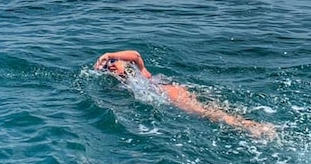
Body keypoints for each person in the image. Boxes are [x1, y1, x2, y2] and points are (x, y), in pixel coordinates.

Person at [94, 50, 277, 140]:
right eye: (109, 67)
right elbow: (134, 57)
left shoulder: (137, 76)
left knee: (207, 113)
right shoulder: (137, 76)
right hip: (173, 88)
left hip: (169, 93)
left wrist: (109, 55)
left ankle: (250, 127)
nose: (112, 67)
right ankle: (248, 123)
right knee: (211, 108)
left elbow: (134, 54)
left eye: (113, 64)